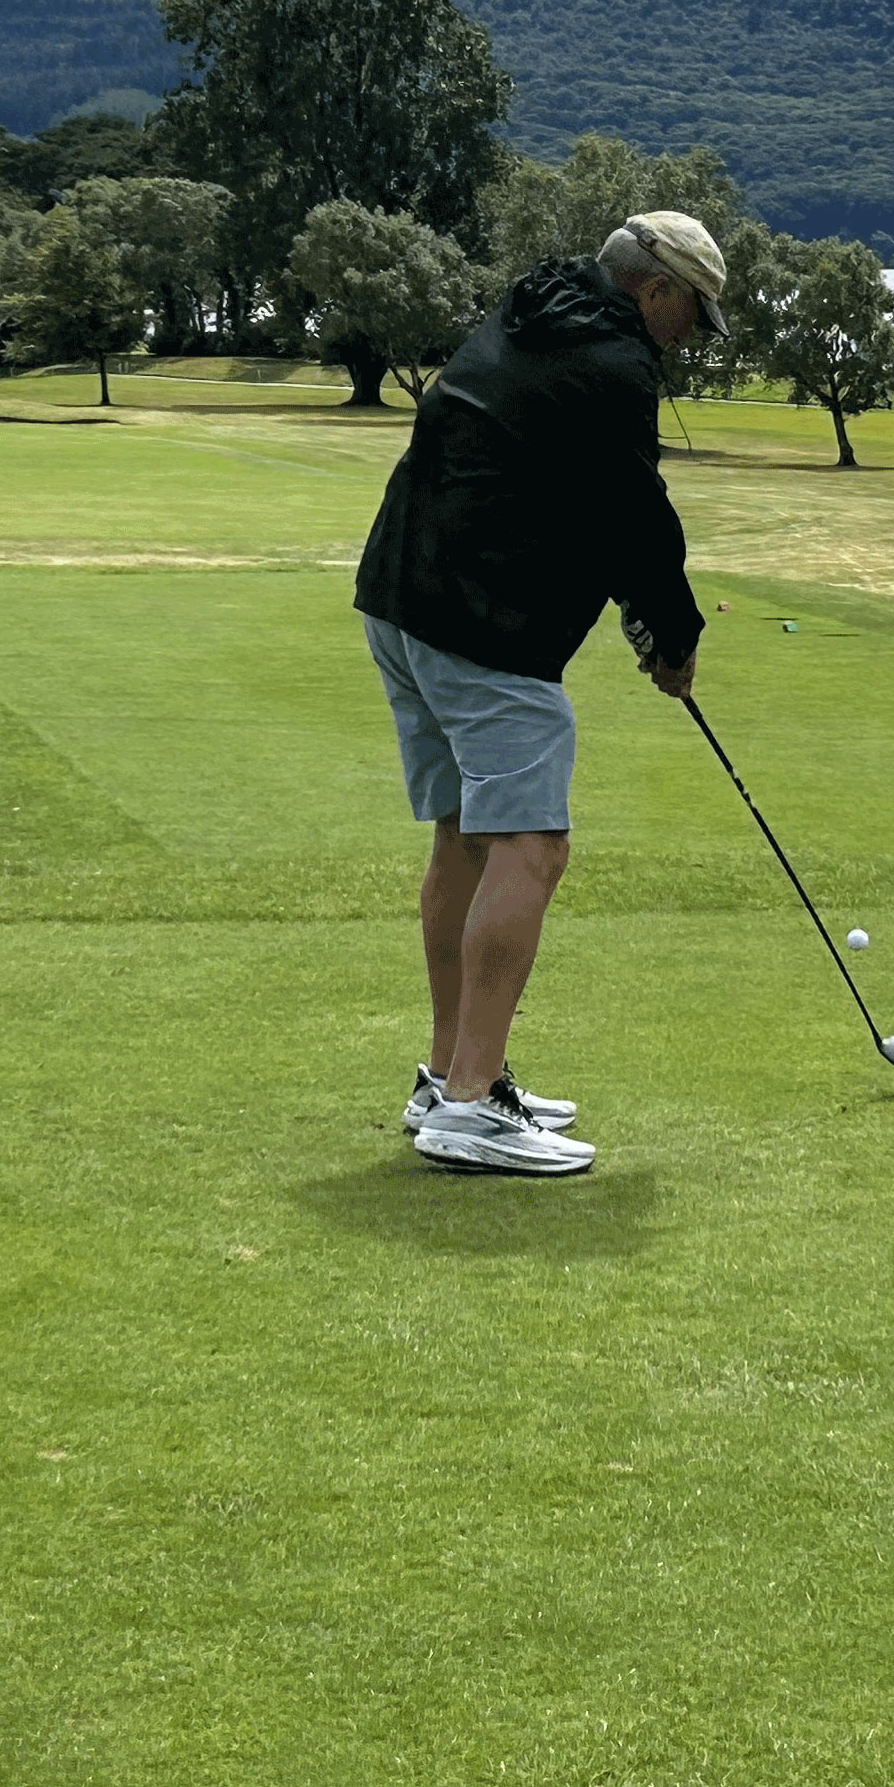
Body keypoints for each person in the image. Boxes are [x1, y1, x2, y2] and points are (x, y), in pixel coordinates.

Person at [353, 209, 724, 1175]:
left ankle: (449, 1076)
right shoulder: (615, 366)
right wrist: (673, 637)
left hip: (399, 594)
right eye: (693, 311)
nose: (690, 336)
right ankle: (471, 1104)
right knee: (532, 844)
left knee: (468, 838)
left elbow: (573, 492)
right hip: (478, 617)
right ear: (656, 290)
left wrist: (642, 612)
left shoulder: (532, 308)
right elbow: (637, 518)